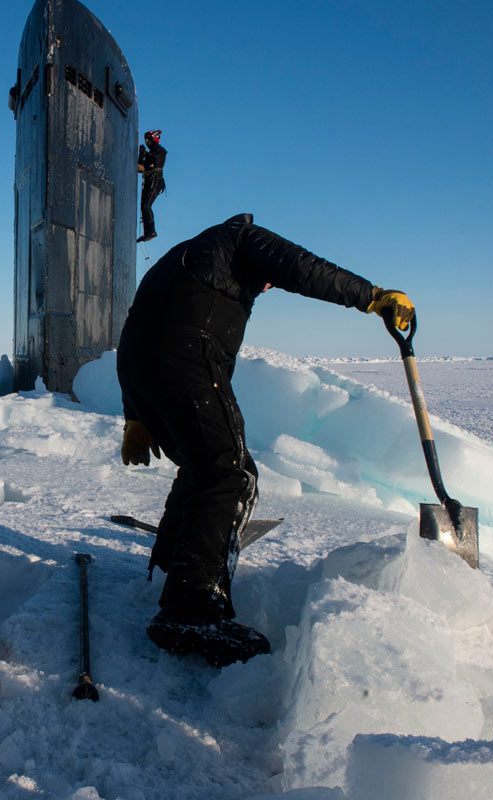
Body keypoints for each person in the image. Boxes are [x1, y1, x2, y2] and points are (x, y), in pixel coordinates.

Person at [116, 213, 414, 666]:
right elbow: (301, 266)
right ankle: (191, 606)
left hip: (144, 365)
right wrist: (371, 297)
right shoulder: (241, 237)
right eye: (266, 281)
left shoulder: (182, 260)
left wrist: (135, 416)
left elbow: (136, 332)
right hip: (188, 355)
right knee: (230, 474)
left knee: (204, 466)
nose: (267, 287)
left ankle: (167, 574)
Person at [136, 129, 167, 243]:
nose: (147, 142)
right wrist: (141, 155)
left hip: (155, 180)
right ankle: (147, 232)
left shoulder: (160, 151)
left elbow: (156, 158)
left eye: (148, 139)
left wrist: (146, 154)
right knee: (144, 206)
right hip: (150, 181)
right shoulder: (151, 153)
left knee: (146, 206)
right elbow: (140, 168)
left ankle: (151, 232)